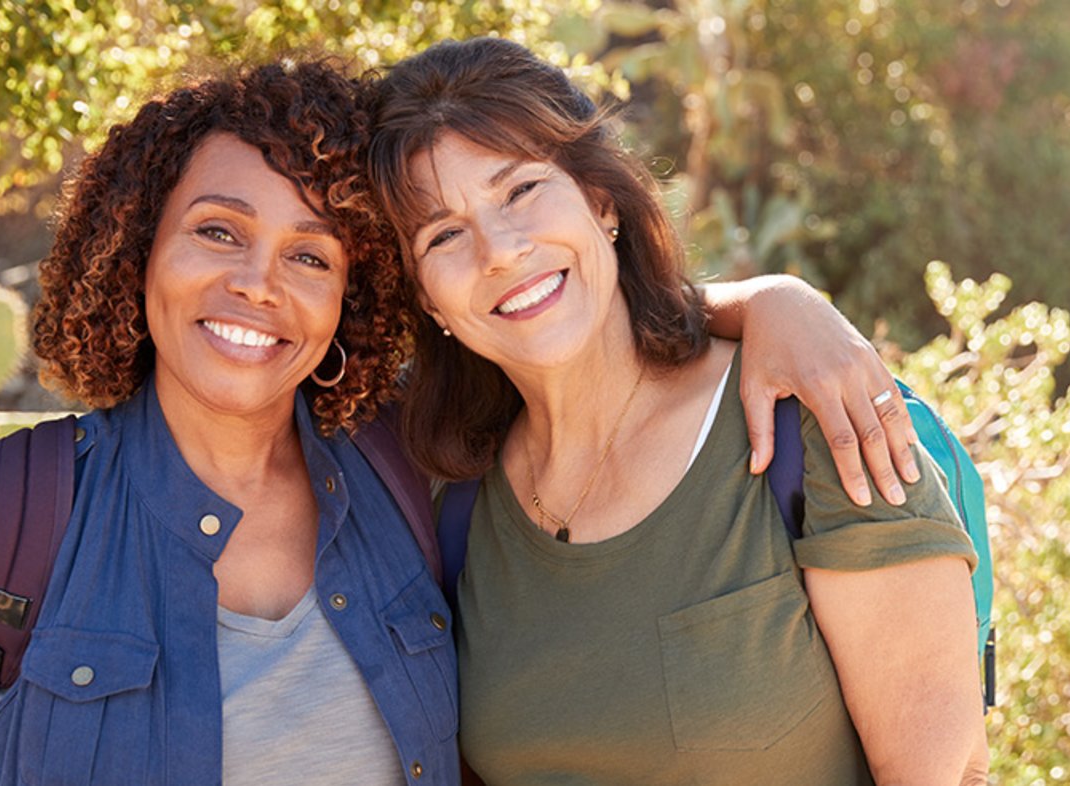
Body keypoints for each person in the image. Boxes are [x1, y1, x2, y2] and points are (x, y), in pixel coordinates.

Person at [0, 59, 924, 784]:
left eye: (311, 257)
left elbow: (555, 318)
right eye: (217, 232)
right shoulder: (15, 512)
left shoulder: (412, 468)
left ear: (357, 296)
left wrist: (774, 302)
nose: (256, 285)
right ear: (137, 249)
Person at [366, 37, 990, 785]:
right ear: (427, 299)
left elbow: (944, 772)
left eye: (522, 191)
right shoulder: (447, 497)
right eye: (443, 234)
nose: (499, 250)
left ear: (602, 203)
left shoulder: (809, 421)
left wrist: (780, 298)